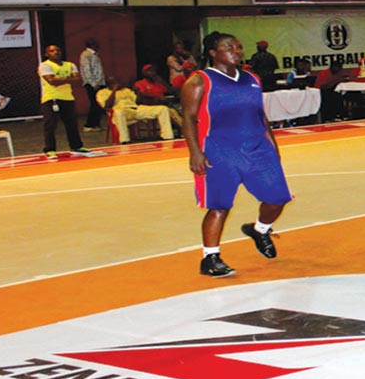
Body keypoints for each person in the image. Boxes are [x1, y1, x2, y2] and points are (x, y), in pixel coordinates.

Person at [181, 32, 291, 278]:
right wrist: (195, 152)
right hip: (219, 150)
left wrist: (273, 148)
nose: (236, 51)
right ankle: (210, 258)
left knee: (278, 197)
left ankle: (260, 230)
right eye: (228, 47)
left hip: (257, 148)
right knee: (219, 206)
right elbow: (188, 118)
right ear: (212, 52)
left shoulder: (252, 78)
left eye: (239, 47)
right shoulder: (199, 81)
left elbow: (261, 116)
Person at [38, 44, 93, 159]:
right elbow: (51, 81)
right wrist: (69, 79)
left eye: (58, 50)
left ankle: (76, 146)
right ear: (47, 54)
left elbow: (78, 80)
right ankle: (50, 149)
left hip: (67, 97)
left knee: (72, 124)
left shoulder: (70, 65)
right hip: (51, 98)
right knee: (50, 125)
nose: (56, 52)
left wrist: (60, 79)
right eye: (52, 51)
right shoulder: (45, 65)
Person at [98, 77, 176, 143]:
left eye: (118, 82)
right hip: (122, 112)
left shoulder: (126, 90)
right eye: (114, 83)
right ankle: (124, 140)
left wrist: (138, 92)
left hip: (136, 109)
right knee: (118, 112)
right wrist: (114, 91)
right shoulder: (102, 92)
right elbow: (107, 105)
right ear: (108, 84)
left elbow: (138, 101)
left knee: (163, 109)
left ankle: (167, 136)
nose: (118, 84)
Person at [79, 38, 106, 132]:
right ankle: (89, 124)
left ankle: (95, 124)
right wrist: (93, 83)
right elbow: (87, 70)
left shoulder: (94, 55)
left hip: (99, 82)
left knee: (98, 104)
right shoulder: (86, 55)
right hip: (93, 83)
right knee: (94, 103)